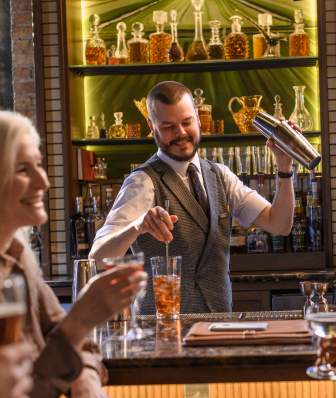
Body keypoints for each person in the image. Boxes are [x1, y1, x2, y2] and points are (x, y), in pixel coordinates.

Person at [90, 80, 294, 314]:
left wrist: (284, 166)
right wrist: (137, 226)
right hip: (162, 333)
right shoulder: (142, 182)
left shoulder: (222, 176)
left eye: (186, 122)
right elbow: (98, 258)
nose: (181, 133)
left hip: (217, 328)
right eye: (168, 126)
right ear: (151, 126)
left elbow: (280, 224)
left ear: (198, 118)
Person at [0, 110, 147, 398]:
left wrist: (86, 378)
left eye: (39, 165)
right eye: (22, 169)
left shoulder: (19, 260)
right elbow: (27, 390)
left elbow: (82, 347)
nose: (43, 181)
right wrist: (80, 320)